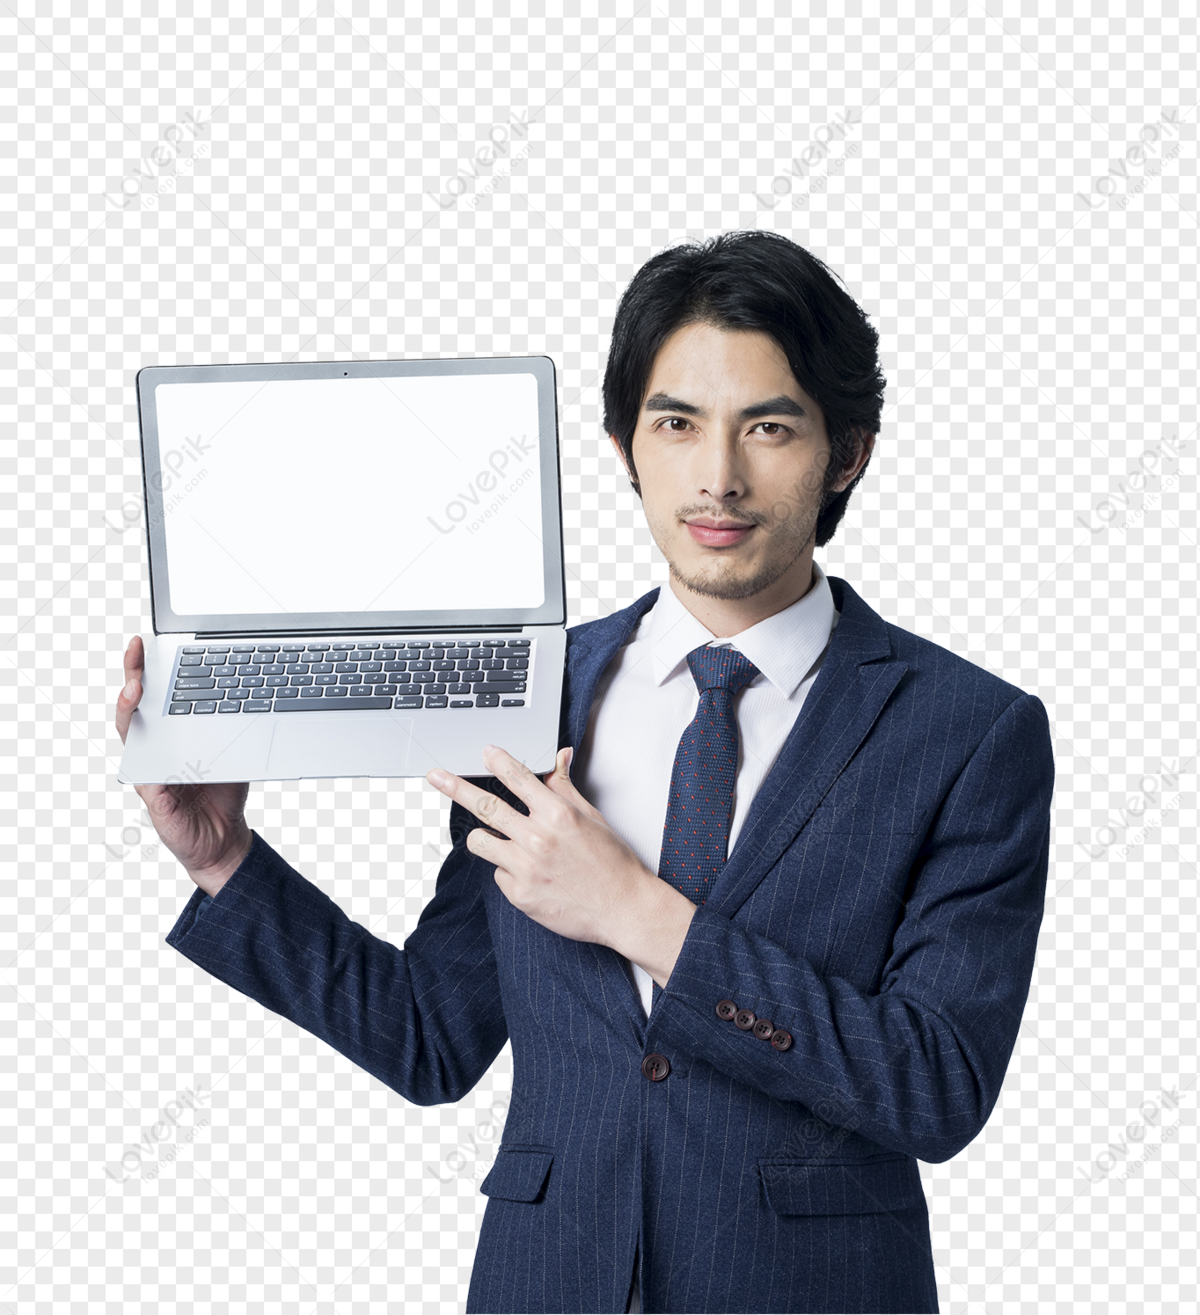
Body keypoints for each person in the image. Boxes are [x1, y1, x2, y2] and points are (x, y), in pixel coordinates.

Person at [115, 231, 1054, 1314]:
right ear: (623, 446)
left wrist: (639, 914)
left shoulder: (967, 731)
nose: (719, 475)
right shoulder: (533, 695)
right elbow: (433, 1036)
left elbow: (934, 1084)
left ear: (847, 453)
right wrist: (226, 859)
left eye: (770, 427)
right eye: (676, 423)